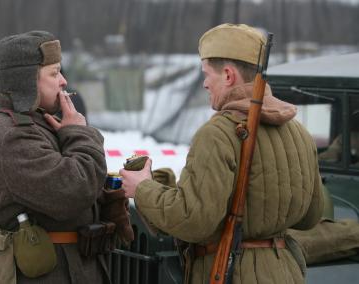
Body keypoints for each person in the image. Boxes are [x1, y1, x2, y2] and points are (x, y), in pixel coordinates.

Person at [120, 23, 324, 284]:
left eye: (207, 74)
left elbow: (193, 220)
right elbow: (311, 216)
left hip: (232, 273)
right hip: (286, 272)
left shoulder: (218, 133)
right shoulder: (299, 133)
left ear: (228, 75)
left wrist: (143, 188)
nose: (205, 84)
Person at [0, 31, 126, 283]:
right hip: (41, 274)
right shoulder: (12, 136)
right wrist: (80, 134)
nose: (63, 81)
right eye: (54, 73)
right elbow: (75, 190)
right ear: (25, 80)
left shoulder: (27, 125)